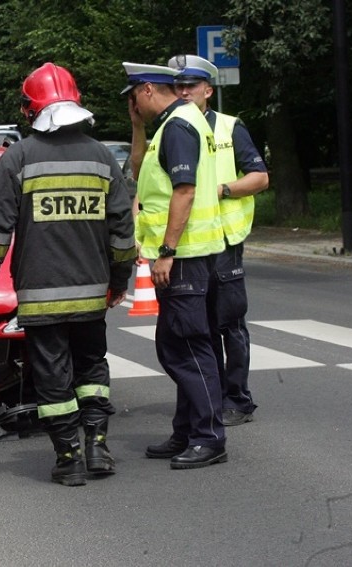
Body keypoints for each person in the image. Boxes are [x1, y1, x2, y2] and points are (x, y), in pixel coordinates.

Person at [0, 63, 136, 486]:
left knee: (53, 376)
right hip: (92, 293)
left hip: (41, 296)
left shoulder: (18, 158)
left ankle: (69, 457)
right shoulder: (101, 157)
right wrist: (119, 282)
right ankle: (98, 446)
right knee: (92, 368)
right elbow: (122, 230)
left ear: (31, 110)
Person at [122, 62, 228, 469]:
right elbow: (141, 176)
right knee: (178, 345)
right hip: (185, 255)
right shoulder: (173, 124)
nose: (132, 106)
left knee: (187, 348)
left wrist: (166, 249)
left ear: (146, 89)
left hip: (184, 256)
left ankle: (208, 437)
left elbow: (184, 191)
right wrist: (136, 127)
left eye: (133, 98)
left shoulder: (179, 125)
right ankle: (187, 430)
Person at [168, 54, 270, 426]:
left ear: (208, 90)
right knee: (200, 326)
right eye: (177, 86)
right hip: (192, 243)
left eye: (191, 86)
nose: (183, 92)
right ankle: (209, 398)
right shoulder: (173, 127)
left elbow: (259, 177)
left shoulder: (229, 127)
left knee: (229, 323)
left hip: (225, 241)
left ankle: (238, 399)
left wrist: (221, 190)